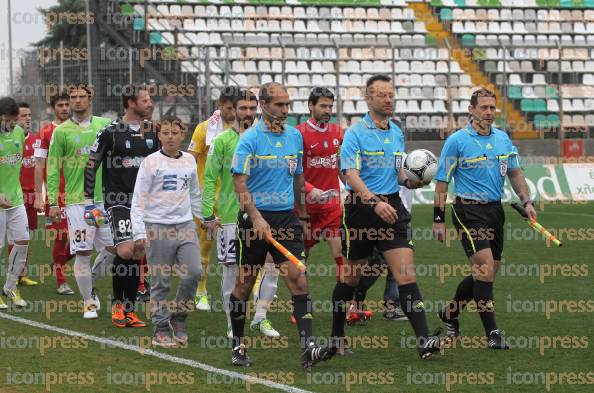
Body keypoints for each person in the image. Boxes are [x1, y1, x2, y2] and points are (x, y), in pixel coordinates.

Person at [330, 75, 441, 360]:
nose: (388, 99)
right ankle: (336, 337)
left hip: (391, 208)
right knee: (351, 278)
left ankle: (424, 341)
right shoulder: (355, 133)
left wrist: (411, 182)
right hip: (362, 209)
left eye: (391, 94)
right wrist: (373, 201)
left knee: (406, 274)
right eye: (382, 95)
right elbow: (349, 174)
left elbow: (398, 172)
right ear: (368, 98)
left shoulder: (396, 132)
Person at [228, 82, 335, 369]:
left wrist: (302, 216)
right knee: (244, 283)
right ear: (264, 106)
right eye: (279, 105)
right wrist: (256, 217)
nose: (285, 110)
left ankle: (308, 348)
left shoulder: (294, 138)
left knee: (298, 280)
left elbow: (298, 178)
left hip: (286, 218)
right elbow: (239, 182)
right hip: (254, 220)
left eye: (287, 105)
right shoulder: (249, 140)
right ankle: (238, 345)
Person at [433, 88, 536, 349]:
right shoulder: (457, 141)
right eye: (484, 108)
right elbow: (442, 182)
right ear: (471, 109)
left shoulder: (503, 139)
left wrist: (526, 201)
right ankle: (493, 334)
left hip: (494, 211)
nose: (489, 112)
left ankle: (449, 313)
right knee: (485, 268)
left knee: (487, 272)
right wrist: (438, 219)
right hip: (468, 211)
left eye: (492, 108)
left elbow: (514, 173)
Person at [202, 90, 281, 339]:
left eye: (251, 108)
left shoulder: (266, 139)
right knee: (232, 272)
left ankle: (260, 318)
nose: (247, 112)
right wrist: (206, 215)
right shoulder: (223, 141)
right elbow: (209, 177)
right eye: (242, 108)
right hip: (229, 218)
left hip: (264, 215)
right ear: (233, 110)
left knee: (271, 267)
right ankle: (231, 322)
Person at [85, 84, 159, 328]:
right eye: (145, 100)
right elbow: (91, 164)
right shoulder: (111, 132)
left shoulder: (154, 132)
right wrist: (88, 203)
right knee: (126, 251)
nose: (150, 103)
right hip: (119, 202)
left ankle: (129, 310)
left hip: (145, 204)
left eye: (150, 100)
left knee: (138, 253)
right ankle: (118, 305)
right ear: (131, 103)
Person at [131, 117, 203, 348]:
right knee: (161, 282)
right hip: (157, 227)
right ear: (159, 136)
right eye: (166, 133)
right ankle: (161, 329)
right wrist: (139, 232)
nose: (170, 136)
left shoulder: (190, 161)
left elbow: (194, 194)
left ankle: (178, 318)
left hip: (185, 227)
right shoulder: (150, 162)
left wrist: (207, 218)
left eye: (175, 132)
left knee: (194, 272)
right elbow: (138, 198)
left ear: (183, 135)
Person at [46, 83, 115, 319]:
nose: (76, 101)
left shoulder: (104, 126)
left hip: (104, 200)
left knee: (115, 249)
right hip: (77, 202)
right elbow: (53, 168)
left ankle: (90, 282)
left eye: (81, 97)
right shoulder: (61, 131)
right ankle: (88, 302)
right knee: (83, 252)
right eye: (73, 97)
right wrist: (53, 202)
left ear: (90, 99)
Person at [187, 87, 238, 311]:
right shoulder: (204, 129)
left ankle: (251, 291)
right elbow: (190, 160)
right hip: (208, 200)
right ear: (220, 106)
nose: (234, 112)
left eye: (236, 107)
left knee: (243, 249)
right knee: (205, 248)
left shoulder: (245, 131)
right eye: (229, 108)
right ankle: (201, 291)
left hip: (234, 201)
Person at [295, 87, 344, 280]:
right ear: (310, 106)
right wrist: (310, 189)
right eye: (323, 106)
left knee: (342, 255)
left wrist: (352, 188)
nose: (328, 110)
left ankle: (346, 306)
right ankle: (301, 304)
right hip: (304, 209)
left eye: (330, 106)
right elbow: (292, 173)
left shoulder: (338, 133)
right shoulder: (298, 135)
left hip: (331, 207)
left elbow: (340, 166)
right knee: (301, 259)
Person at [34, 91, 74, 295]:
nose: (65, 108)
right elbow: (39, 164)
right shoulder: (46, 132)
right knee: (62, 235)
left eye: (67, 104)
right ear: (53, 108)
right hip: (56, 193)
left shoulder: (78, 129)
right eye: (60, 105)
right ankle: (61, 280)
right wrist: (39, 195)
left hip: (78, 191)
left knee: (84, 238)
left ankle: (58, 262)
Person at [0, 97, 30, 308]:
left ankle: (10, 286)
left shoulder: (20, 133)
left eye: (13, 119)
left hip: (16, 200)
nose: (11, 123)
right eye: (7, 119)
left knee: (22, 242)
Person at [13, 102, 38, 286]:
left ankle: (21, 274)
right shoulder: (11, 141)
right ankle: (14, 275)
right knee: (14, 239)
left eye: (29, 115)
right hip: (15, 197)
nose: (28, 118)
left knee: (25, 237)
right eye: (23, 115)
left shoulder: (36, 140)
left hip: (32, 197)